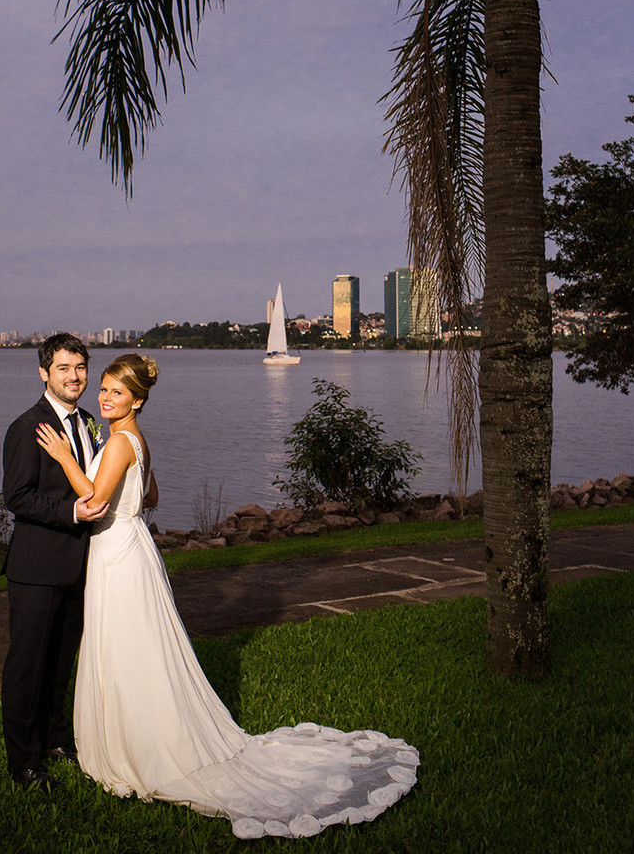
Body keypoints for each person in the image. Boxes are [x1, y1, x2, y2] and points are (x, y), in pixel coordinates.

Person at [36, 352, 419, 839]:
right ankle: (147, 731)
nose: (105, 398)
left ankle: (139, 747)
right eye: (104, 389)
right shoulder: (136, 439)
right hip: (134, 547)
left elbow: (92, 502)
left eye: (116, 392)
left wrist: (66, 458)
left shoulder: (116, 443)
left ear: (137, 399)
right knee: (141, 647)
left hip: (115, 554)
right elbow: (150, 497)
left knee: (127, 647)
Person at [0, 333, 108, 791]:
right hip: (37, 568)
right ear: (44, 372)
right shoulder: (27, 427)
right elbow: (17, 496)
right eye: (64, 368)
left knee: (63, 661)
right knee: (27, 667)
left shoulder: (88, 421)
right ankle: (24, 763)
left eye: (80, 367)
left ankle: (56, 738)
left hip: (81, 566)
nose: (75, 377)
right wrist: (71, 512)